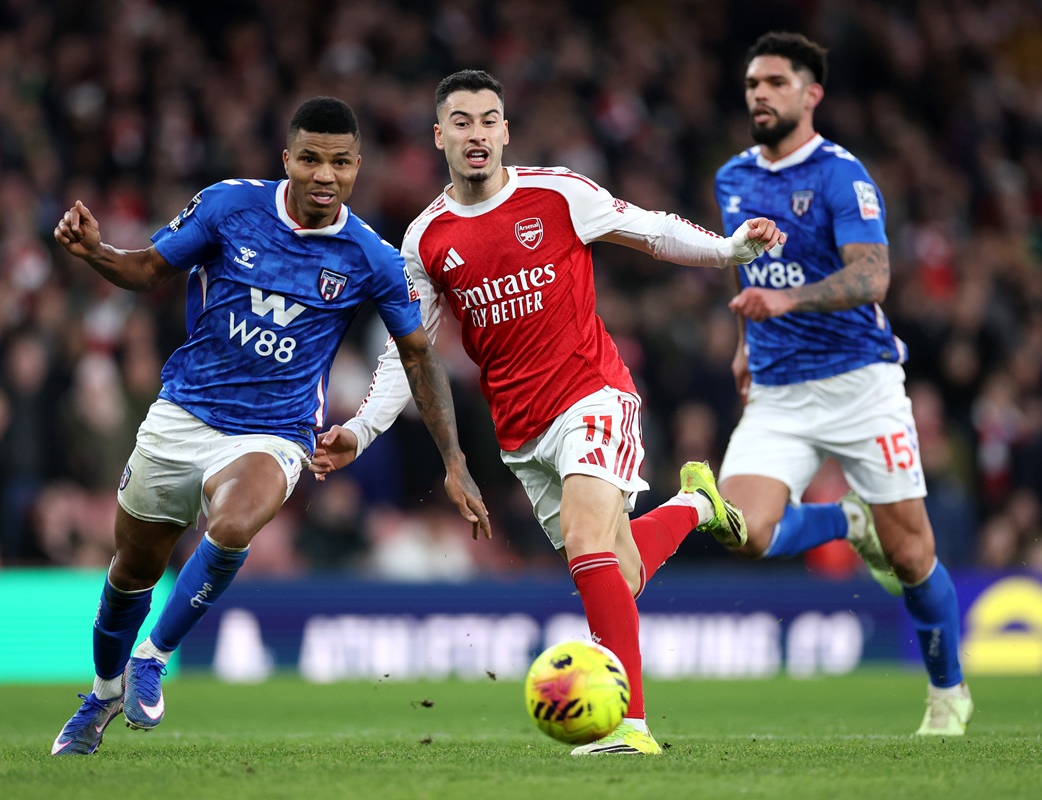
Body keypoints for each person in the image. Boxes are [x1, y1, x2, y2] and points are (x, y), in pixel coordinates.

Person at [309, 69, 786, 756]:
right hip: (522, 432)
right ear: (440, 136)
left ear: (505, 130)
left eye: (489, 120)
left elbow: (652, 231)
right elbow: (408, 351)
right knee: (619, 574)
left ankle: (630, 727)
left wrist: (731, 249)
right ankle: (695, 505)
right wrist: (360, 429)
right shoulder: (426, 239)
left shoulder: (559, 193)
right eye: (462, 122)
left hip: (593, 395)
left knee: (590, 544)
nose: (477, 134)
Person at [49, 97, 490, 756]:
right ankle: (103, 692)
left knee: (233, 524)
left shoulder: (371, 256)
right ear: (287, 158)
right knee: (131, 570)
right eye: (310, 158)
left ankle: (153, 656)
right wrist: (95, 252)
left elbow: (419, 358)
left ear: (357, 167)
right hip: (184, 412)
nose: (324, 175)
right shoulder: (229, 206)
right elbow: (148, 269)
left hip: (275, 432)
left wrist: (453, 461)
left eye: (339, 162)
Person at [713, 32, 972, 736]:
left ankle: (948, 692)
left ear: (811, 94)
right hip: (778, 391)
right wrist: (744, 344)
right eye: (752, 83)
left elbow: (873, 275)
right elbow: (748, 269)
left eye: (776, 82)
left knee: (912, 554)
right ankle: (847, 522)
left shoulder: (840, 175)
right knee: (742, 530)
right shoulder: (732, 178)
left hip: (860, 384)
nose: (760, 94)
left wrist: (788, 302)